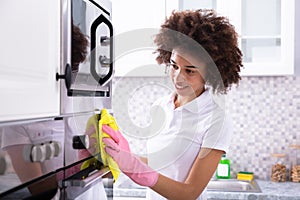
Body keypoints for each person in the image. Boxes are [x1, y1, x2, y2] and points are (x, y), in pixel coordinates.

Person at [102, 9, 243, 200]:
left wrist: (140, 173)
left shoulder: (216, 120)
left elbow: (190, 193)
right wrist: (127, 156)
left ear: (209, 72)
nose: (178, 77)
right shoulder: (161, 105)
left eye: (190, 71)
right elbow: (162, 165)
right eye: (174, 66)